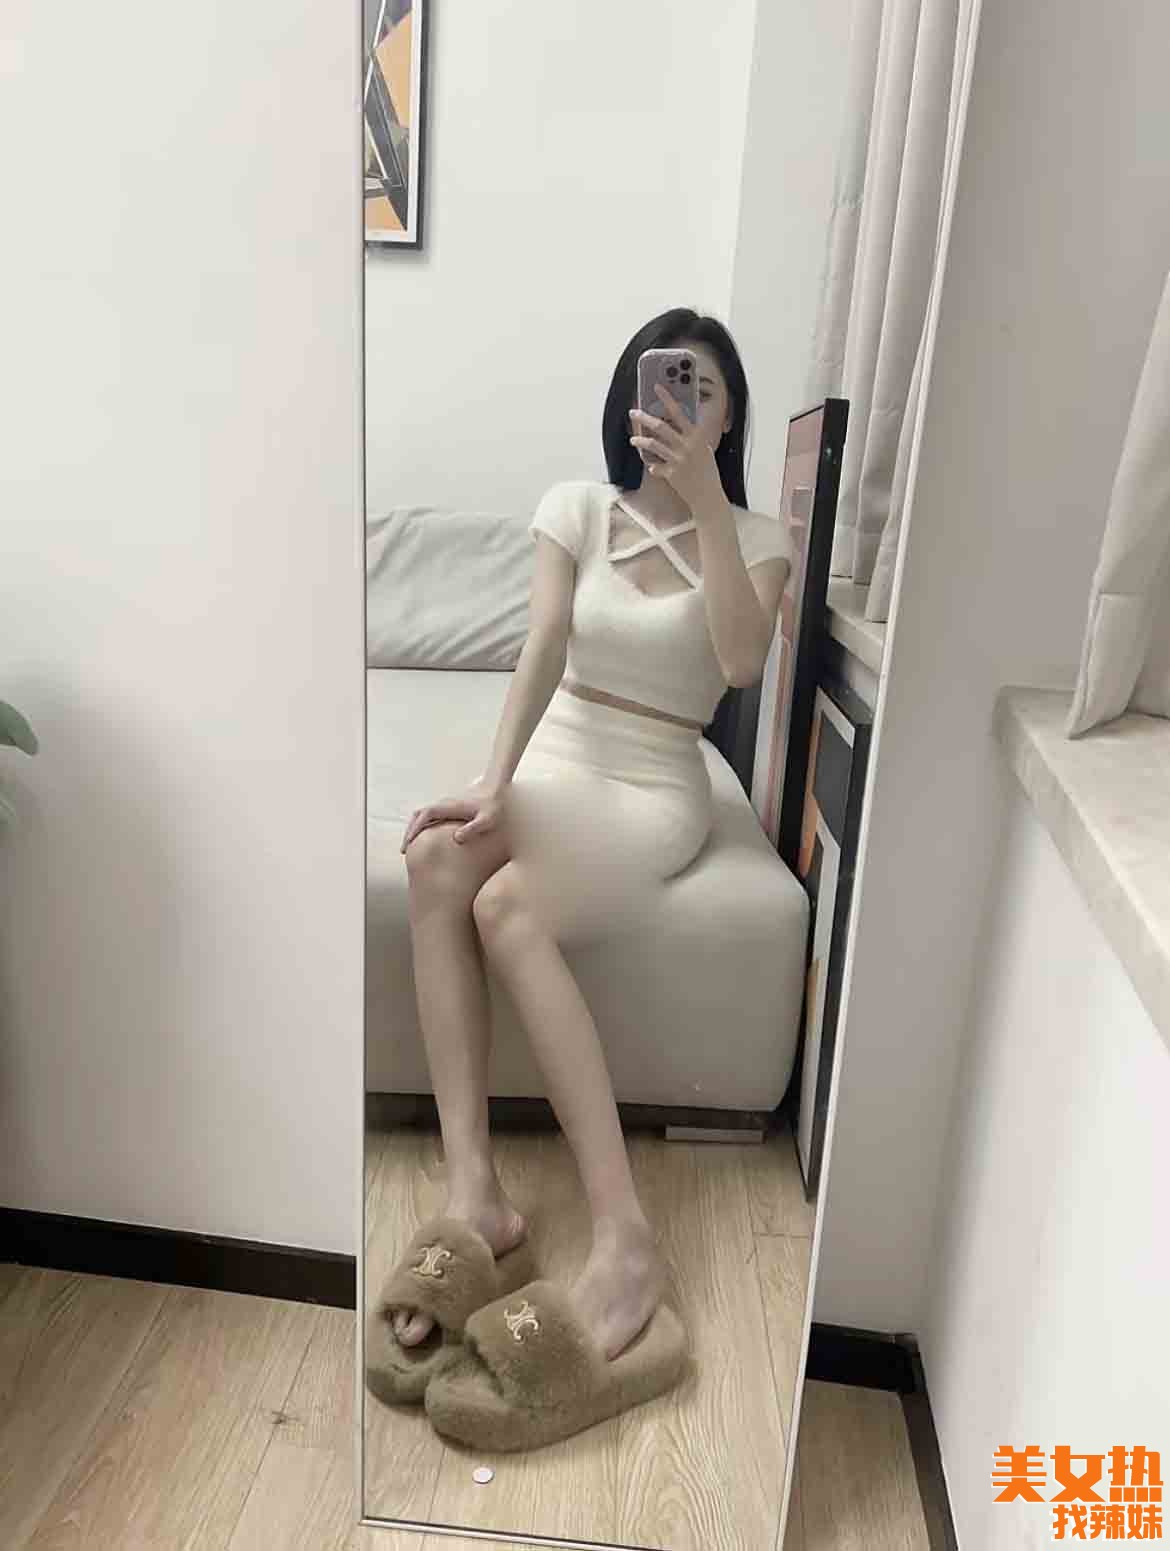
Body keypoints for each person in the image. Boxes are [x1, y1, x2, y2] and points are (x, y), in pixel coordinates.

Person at [391, 307, 792, 1368]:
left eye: (704, 388)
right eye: (666, 381)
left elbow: (742, 664)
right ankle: (474, 1195)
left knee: (505, 906)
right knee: (436, 857)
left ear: (729, 414)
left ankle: (625, 1237)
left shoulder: (760, 540)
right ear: (631, 398)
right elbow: (543, 645)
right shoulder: (575, 506)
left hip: (655, 778)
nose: (681, 403)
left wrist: (708, 503)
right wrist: (494, 782)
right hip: (562, 755)